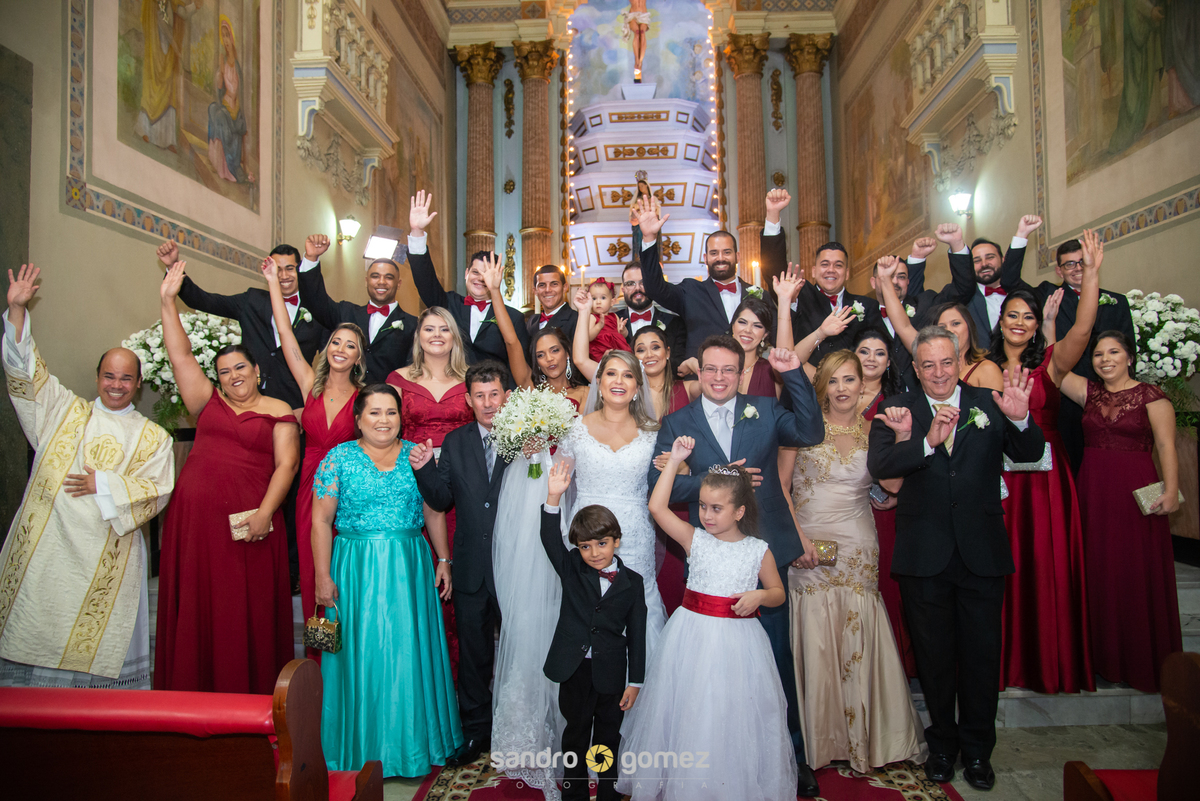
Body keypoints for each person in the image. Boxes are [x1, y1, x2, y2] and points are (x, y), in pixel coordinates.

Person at [867, 326, 1044, 791]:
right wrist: (924, 443)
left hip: (982, 552)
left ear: (959, 360)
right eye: (928, 364)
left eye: (947, 362)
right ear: (916, 368)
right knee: (935, 659)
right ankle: (943, 745)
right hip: (924, 554)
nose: (939, 372)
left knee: (982, 659)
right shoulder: (896, 408)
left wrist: (1022, 420)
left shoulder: (989, 402)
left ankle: (980, 751)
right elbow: (882, 468)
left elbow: (1030, 452)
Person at [649, 338, 825, 797]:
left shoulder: (765, 409)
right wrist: (723, 482)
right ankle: (715, 756)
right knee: (713, 670)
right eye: (711, 369)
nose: (720, 378)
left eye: (729, 370)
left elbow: (810, 433)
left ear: (742, 372)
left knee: (775, 661)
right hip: (710, 554)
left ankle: (789, 755)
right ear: (699, 372)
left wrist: (794, 377)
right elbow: (657, 484)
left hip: (763, 552)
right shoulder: (677, 422)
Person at [0, 264, 174, 689]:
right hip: (50, 550)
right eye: (109, 376)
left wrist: (105, 485)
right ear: (98, 377)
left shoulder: (153, 437)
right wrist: (18, 311)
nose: (116, 384)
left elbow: (158, 490)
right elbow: (25, 371)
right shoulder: (63, 409)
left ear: (138, 385)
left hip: (106, 555)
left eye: (126, 378)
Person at [154, 261, 299, 694]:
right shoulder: (206, 403)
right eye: (225, 372)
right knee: (200, 607)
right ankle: (191, 692)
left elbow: (286, 466)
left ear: (257, 370)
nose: (234, 376)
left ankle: (246, 696)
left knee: (241, 610)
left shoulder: (279, 411)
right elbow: (179, 353)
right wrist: (167, 301)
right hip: (195, 525)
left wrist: (264, 514)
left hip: (249, 526)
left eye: (241, 368)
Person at [619, 446, 796, 800]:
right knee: (690, 709)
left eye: (716, 508)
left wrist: (760, 596)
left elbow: (778, 592)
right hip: (691, 638)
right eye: (702, 506)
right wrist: (673, 463)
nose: (707, 515)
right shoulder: (693, 539)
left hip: (739, 644)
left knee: (729, 713)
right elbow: (656, 507)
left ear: (740, 511)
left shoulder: (757, 550)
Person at [781, 351, 926, 772]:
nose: (843, 388)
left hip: (859, 544)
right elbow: (782, 487)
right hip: (810, 544)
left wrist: (902, 439)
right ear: (821, 386)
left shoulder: (874, 430)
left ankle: (866, 739)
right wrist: (799, 540)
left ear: (864, 385)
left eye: (850, 380)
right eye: (834, 380)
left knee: (857, 628)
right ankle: (819, 741)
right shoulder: (800, 427)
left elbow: (892, 482)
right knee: (816, 631)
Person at [312, 384, 461, 777]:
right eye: (374, 412)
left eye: (391, 412)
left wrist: (443, 559)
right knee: (358, 654)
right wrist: (322, 576)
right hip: (353, 568)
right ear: (358, 418)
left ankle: (410, 748)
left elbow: (433, 512)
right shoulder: (337, 458)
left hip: (409, 566)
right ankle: (357, 749)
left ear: (401, 417)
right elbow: (321, 521)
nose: (383, 420)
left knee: (407, 653)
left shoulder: (417, 455)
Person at [985, 230, 1105, 695]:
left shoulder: (1052, 365)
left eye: (1028, 317)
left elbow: (1083, 329)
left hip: (1047, 484)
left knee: (1046, 569)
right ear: (1001, 322)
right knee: (1003, 569)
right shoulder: (983, 367)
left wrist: (1090, 276)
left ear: (1037, 325)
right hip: (1000, 484)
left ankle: (1050, 664)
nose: (1019, 322)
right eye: (1012, 315)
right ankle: (1004, 662)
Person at [1060, 332, 1182, 692]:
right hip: (1093, 490)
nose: (1104, 359)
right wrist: (1051, 325)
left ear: (1130, 357)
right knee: (1097, 570)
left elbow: (1166, 446)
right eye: (1098, 354)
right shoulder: (1089, 393)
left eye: (1113, 352)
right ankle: (1099, 658)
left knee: (1133, 570)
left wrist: (1172, 490)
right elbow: (1057, 365)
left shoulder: (1152, 397)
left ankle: (1139, 661)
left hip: (1135, 489)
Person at [409, 361, 514, 768]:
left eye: (494, 394)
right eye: (480, 396)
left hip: (515, 565)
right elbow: (440, 499)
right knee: (474, 657)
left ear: (506, 396)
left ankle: (517, 727)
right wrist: (423, 469)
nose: (488, 404)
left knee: (519, 650)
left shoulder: (528, 438)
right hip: (471, 566)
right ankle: (476, 733)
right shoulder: (455, 441)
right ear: (467, 400)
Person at [262, 256, 364, 653]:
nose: (340, 349)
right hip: (310, 488)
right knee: (313, 573)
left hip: (351, 493)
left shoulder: (364, 400)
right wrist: (274, 283)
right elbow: (286, 336)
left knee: (345, 574)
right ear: (327, 349)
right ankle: (321, 662)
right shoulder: (310, 386)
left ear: (359, 357)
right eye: (336, 342)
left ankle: (352, 657)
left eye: (350, 345)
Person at [542, 464, 647, 801]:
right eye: (585, 546)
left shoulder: (633, 583)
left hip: (612, 673)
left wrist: (636, 681)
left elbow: (638, 634)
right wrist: (553, 496)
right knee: (574, 735)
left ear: (616, 540)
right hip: (574, 669)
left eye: (602, 543)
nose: (594, 553)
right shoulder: (572, 567)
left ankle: (607, 792)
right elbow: (548, 537)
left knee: (606, 737)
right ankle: (572, 794)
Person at [555, 350, 669, 657]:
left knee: (636, 604)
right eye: (611, 373)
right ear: (599, 381)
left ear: (637, 387)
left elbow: (668, 480)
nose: (619, 381)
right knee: (588, 603)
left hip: (635, 537)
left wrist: (680, 467)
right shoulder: (575, 428)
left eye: (628, 375)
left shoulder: (653, 434)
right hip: (586, 535)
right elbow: (556, 484)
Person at [386, 306, 474, 677]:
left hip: (461, 483)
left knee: (459, 567)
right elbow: (386, 429)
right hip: (410, 481)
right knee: (416, 572)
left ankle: (456, 673)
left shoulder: (471, 377)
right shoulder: (398, 378)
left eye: (444, 329)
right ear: (418, 336)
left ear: (454, 337)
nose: (436, 335)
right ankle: (416, 672)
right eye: (428, 329)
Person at [1004, 238, 1137, 473]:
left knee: (1109, 466)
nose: (1077, 268)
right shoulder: (1047, 293)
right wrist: (1022, 235)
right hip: (1063, 397)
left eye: (1082, 263)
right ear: (1059, 270)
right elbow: (1010, 281)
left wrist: (1123, 396)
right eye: (1069, 264)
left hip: (1106, 397)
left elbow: (1128, 351)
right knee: (1072, 465)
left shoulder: (1117, 301)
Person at [155, 239, 329, 411]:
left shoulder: (317, 310)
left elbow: (330, 361)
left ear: (299, 270)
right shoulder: (251, 300)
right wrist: (173, 268)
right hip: (248, 401)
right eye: (277, 269)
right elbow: (203, 301)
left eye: (289, 269)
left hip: (295, 405)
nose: (283, 276)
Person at [405, 191, 529, 369]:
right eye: (475, 272)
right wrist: (417, 231)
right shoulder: (448, 304)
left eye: (486, 274)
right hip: (452, 388)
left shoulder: (514, 318)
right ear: (466, 274)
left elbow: (519, 365)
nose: (480, 279)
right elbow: (425, 280)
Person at [761, 189, 881, 366]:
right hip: (805, 387)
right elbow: (773, 267)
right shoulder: (800, 294)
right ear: (814, 271)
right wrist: (773, 213)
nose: (831, 270)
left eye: (838, 265)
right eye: (825, 264)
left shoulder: (868, 307)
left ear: (847, 273)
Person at [635, 200, 755, 360]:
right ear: (705, 258)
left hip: (748, 377)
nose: (720, 258)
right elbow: (655, 289)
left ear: (737, 256)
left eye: (726, 252)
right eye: (714, 253)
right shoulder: (690, 291)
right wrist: (649, 238)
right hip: (700, 380)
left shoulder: (757, 295)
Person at [297, 233, 417, 384]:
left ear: (398, 284)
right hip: (347, 400)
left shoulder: (413, 325)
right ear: (366, 281)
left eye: (388, 277)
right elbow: (314, 301)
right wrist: (311, 258)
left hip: (389, 402)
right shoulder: (345, 313)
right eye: (375, 276)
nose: (381, 282)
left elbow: (414, 371)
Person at [876, 256, 1005, 393]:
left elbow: (994, 413)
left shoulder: (987, 369)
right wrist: (884, 279)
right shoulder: (929, 360)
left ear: (969, 327)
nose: (949, 330)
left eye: (956, 323)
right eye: (942, 327)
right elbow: (903, 327)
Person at [483, 256, 589, 410]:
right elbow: (512, 342)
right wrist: (494, 290)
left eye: (555, 350)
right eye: (540, 355)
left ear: (567, 353)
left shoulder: (587, 392)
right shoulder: (532, 389)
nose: (549, 359)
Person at [941, 216, 1042, 341]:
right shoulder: (961, 296)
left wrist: (1022, 234)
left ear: (1003, 259)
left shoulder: (1020, 291)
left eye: (990, 257)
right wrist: (956, 244)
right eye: (976, 260)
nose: (984, 264)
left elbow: (1011, 276)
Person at [680, 296, 781, 398]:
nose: (748, 330)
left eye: (757, 326)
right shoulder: (714, 368)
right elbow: (692, 395)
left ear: (765, 334)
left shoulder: (772, 371)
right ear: (733, 326)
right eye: (742, 322)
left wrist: (694, 364)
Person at [616, 262, 686, 377]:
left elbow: (678, 366)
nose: (637, 288)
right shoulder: (611, 321)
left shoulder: (675, 322)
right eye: (630, 284)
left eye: (643, 283)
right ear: (623, 289)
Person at [206, 15, 250, 183]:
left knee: (225, 118)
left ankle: (230, 166)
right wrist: (221, 73)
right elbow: (219, 88)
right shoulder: (222, 61)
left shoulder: (237, 65)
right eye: (222, 36)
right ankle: (219, 164)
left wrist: (235, 108)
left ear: (231, 38)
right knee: (214, 111)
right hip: (225, 103)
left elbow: (240, 93)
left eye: (227, 36)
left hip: (235, 108)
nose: (225, 40)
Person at [585, 278, 633, 362]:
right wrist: (599, 326)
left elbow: (622, 335)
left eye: (603, 298)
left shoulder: (614, 316)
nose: (598, 302)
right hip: (600, 349)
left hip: (617, 348)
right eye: (594, 298)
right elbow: (588, 337)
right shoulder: (592, 317)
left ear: (612, 302)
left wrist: (623, 330)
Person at [529, 264, 578, 339]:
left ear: (565, 288)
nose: (548, 290)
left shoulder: (577, 319)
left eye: (554, 284)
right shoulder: (531, 321)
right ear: (535, 291)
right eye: (542, 285)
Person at [627, 176, 660, 256]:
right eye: (639, 187)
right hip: (639, 226)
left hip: (651, 225)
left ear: (646, 186)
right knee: (640, 244)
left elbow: (657, 213)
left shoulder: (653, 199)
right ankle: (640, 259)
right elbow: (632, 216)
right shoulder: (636, 200)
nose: (641, 188)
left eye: (642, 186)